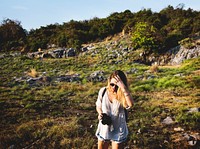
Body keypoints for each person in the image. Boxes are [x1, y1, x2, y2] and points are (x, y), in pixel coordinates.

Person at [95, 70, 134, 149]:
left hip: (118, 127)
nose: (113, 87)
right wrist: (100, 114)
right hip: (104, 128)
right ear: (109, 82)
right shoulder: (103, 91)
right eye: (112, 84)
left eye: (117, 86)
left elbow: (130, 105)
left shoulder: (123, 95)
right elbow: (98, 105)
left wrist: (123, 88)